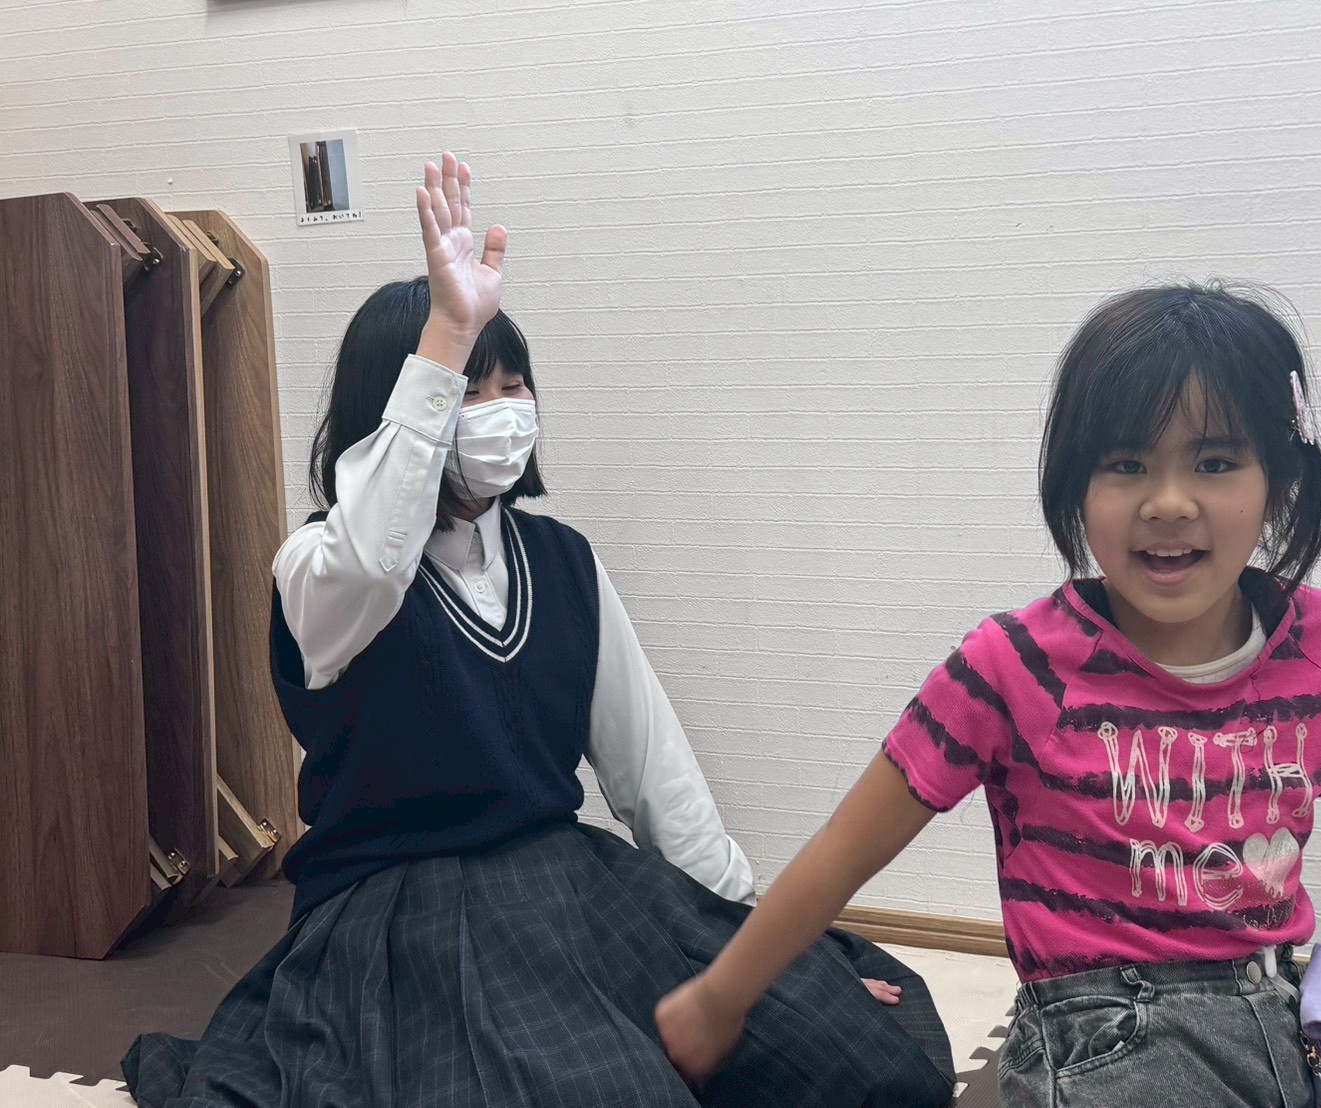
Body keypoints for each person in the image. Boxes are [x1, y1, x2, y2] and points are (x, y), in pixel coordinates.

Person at [122, 153, 954, 1108]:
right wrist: (446, 330)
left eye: (512, 386)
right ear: (400, 406)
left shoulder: (560, 560)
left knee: (862, 1059)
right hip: (398, 914)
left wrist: (751, 949)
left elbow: (652, 772)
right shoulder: (320, 568)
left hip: (566, 887)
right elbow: (379, 553)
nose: (501, 413)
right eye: (467, 391)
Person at [656, 283, 1321, 1106]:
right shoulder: (1011, 666)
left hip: (1285, 1014)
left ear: (1278, 480)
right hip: (1107, 1044)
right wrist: (718, 998)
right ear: (1074, 485)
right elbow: (846, 846)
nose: (1167, 502)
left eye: (1214, 462)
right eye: (1125, 465)